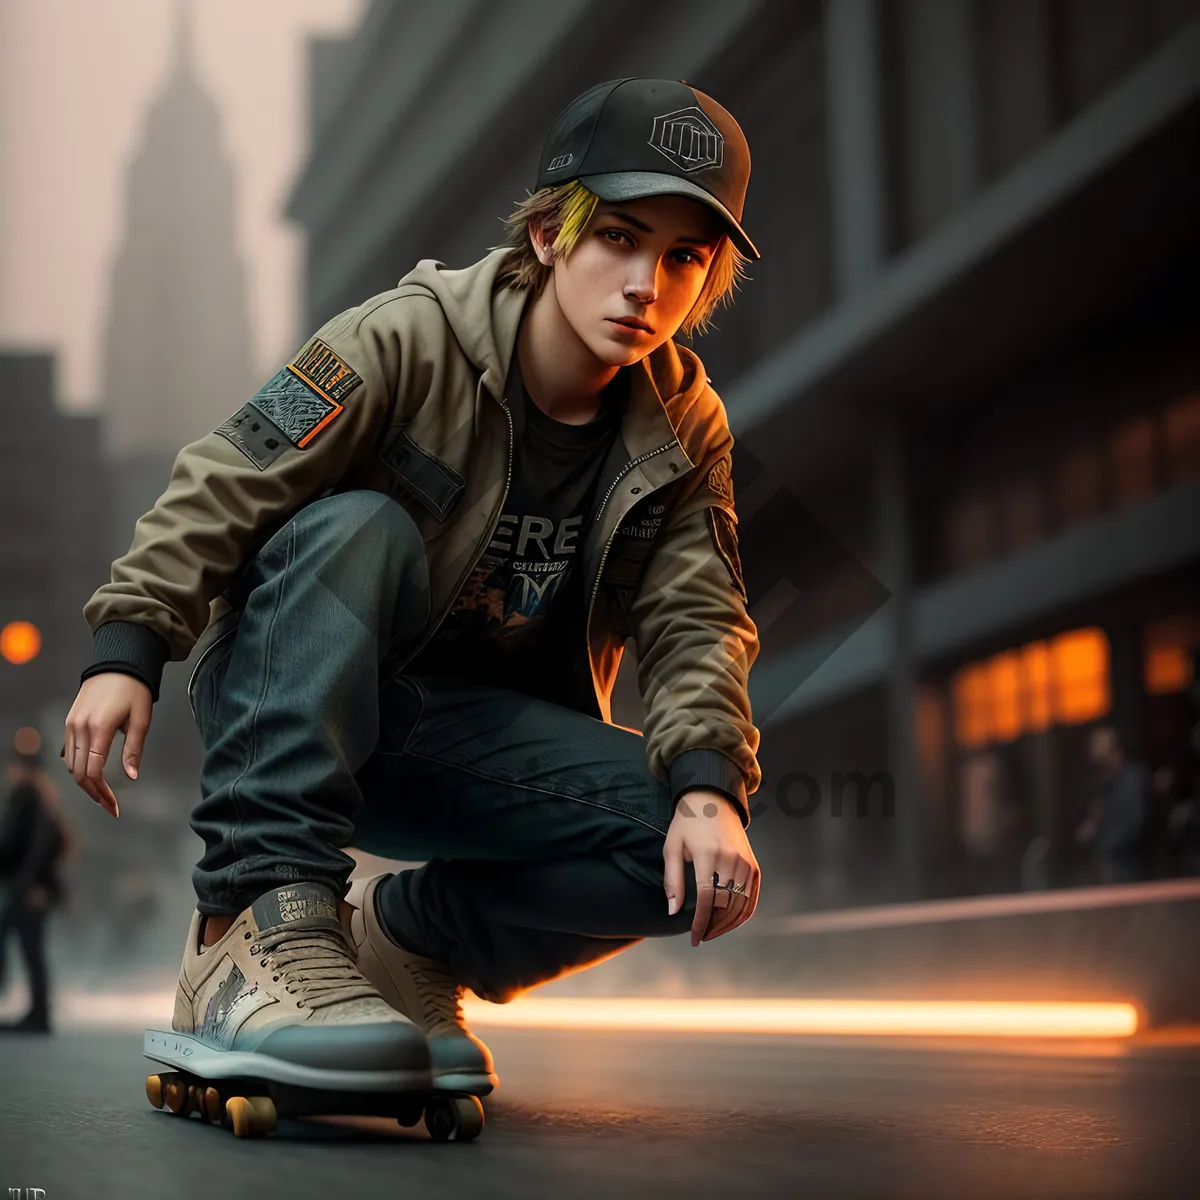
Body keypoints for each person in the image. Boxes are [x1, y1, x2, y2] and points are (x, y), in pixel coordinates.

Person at [61, 79, 763, 1097]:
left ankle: (411, 944)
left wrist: (707, 786)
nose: (645, 283)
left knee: (697, 855)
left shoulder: (684, 428)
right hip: (291, 692)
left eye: (683, 257)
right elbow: (225, 474)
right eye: (618, 236)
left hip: (469, 746)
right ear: (552, 234)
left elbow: (698, 613)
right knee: (361, 525)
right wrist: (128, 647)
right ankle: (243, 926)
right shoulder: (401, 336)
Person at [0, 729, 72, 1034]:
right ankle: (38, 1013)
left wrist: (34, 885)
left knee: (25, 945)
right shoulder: (41, 795)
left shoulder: (30, 795)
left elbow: (34, 845)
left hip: (28, 887)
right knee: (29, 948)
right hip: (31, 885)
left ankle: (39, 1015)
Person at [1075, 726, 1149, 885]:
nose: (1093, 753)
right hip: (1109, 870)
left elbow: (1134, 825)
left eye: (1098, 747)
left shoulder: (1132, 780)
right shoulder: (1104, 784)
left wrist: (1106, 843)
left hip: (1130, 870)